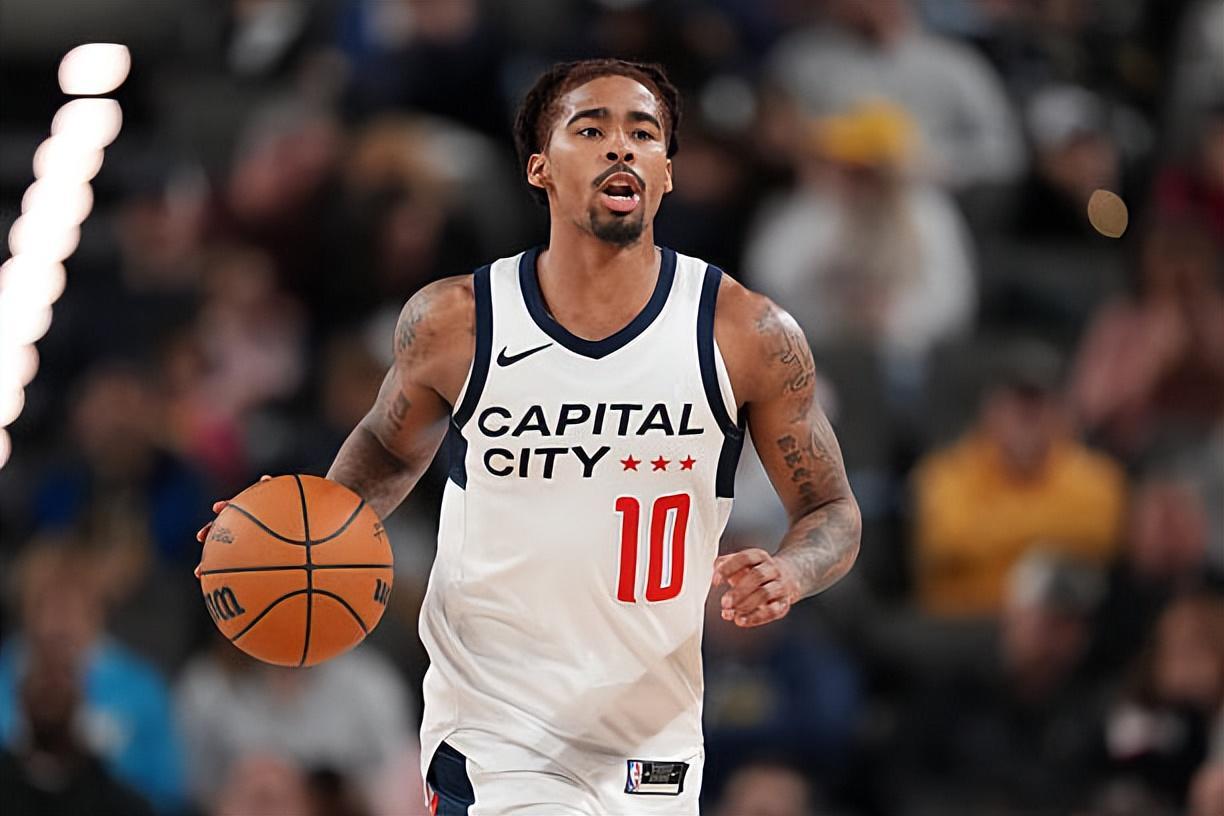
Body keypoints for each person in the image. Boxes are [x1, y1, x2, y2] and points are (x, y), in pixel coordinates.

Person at [197, 58, 862, 814]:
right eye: (592, 129)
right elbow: (386, 447)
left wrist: (792, 572)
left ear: (667, 173)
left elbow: (832, 510)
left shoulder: (746, 333)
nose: (622, 147)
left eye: (644, 133)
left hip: (653, 735)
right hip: (495, 727)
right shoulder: (457, 322)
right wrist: (299, 528)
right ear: (540, 168)